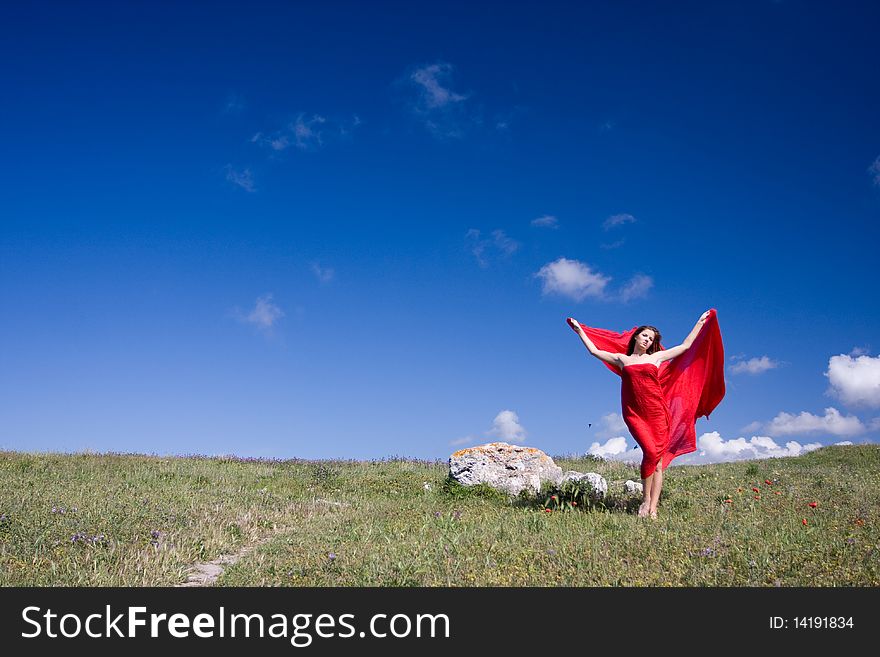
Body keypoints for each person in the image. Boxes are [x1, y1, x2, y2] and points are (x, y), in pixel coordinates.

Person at [566, 310, 725, 519]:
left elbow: (685, 347)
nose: (648, 340)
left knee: (656, 461)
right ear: (636, 336)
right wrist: (580, 331)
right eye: (645, 336)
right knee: (651, 452)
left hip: (657, 412)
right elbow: (595, 351)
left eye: (651, 339)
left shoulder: (656, 357)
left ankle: (653, 508)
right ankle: (645, 501)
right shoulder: (622, 359)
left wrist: (700, 323)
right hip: (634, 414)